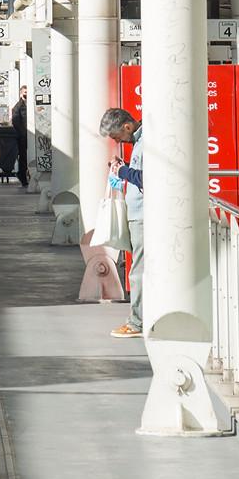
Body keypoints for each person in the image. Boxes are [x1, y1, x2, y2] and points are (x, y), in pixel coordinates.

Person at [100, 107, 145, 339]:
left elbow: (147, 178)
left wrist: (122, 170)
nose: (118, 142)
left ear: (127, 126)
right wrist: (125, 167)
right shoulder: (140, 142)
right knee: (138, 268)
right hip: (138, 214)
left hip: (144, 216)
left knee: (139, 270)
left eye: (117, 137)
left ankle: (137, 322)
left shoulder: (145, 142)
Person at [10, 85, 31, 187]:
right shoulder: (18, 107)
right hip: (23, 137)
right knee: (23, 157)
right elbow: (15, 122)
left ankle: (23, 175)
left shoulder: (31, 105)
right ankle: (22, 176)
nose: (27, 94)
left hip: (28, 136)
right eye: (25, 92)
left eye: (28, 92)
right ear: (21, 93)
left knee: (26, 157)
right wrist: (23, 133)